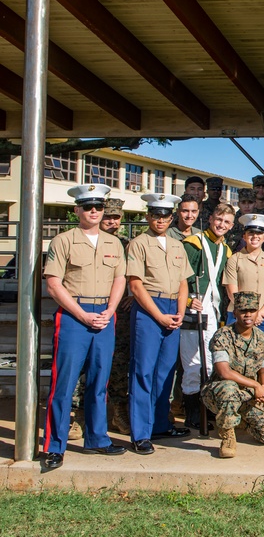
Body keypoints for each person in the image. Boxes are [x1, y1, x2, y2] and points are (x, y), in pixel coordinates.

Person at [41, 184, 127, 470]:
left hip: (104, 313)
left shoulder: (113, 243)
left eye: (98, 207)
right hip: (73, 315)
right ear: (77, 210)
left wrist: (110, 310)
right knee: (63, 384)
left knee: (99, 382)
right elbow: (54, 283)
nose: (94, 211)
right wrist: (81, 315)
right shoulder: (63, 240)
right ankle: (55, 446)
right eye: (88, 207)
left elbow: (120, 280)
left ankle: (97, 439)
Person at [126, 193, 194, 454]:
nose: (161, 220)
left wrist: (179, 311)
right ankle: (140, 433)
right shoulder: (139, 244)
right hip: (149, 309)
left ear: (171, 217)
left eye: (166, 215)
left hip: (172, 310)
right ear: (148, 217)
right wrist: (159, 315)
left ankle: (159, 424)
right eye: (156, 215)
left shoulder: (177, 245)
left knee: (166, 372)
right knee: (143, 371)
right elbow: (135, 285)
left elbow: (183, 282)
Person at [202, 292, 264, 458]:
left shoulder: (261, 338)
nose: (248, 315)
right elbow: (223, 372)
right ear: (235, 313)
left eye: (252, 310)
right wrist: (255, 385)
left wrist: (263, 392)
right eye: (243, 311)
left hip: (248, 395)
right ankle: (227, 436)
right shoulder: (223, 336)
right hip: (220, 393)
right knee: (229, 388)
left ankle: (240, 421)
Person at [180, 203, 235, 430]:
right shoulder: (193, 244)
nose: (221, 225)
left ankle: (207, 408)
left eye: (227, 222)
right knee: (193, 362)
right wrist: (187, 300)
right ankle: (192, 412)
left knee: (212, 363)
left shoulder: (226, 250)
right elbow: (180, 276)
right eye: (218, 220)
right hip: (194, 309)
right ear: (211, 218)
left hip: (214, 311)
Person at [223, 214, 264, 349]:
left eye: (259, 233)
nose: (255, 236)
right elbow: (232, 291)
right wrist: (248, 314)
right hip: (237, 315)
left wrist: (260, 313)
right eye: (251, 232)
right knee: (236, 357)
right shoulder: (234, 260)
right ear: (244, 236)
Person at [102, 197, 133, 436]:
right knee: (86, 364)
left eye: (116, 217)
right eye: (108, 217)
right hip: (92, 309)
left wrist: (133, 294)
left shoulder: (127, 245)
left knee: (120, 362)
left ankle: (118, 411)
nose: (111, 222)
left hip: (120, 314)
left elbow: (138, 274)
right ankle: (79, 414)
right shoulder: (86, 241)